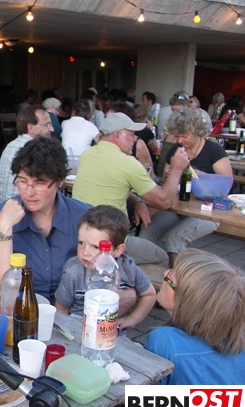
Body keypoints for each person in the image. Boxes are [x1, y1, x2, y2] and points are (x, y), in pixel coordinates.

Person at [72, 112, 191, 266]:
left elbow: (113, 186)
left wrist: (137, 201)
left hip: (81, 236)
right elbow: (164, 201)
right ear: (117, 135)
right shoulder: (128, 163)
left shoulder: (87, 154)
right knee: (162, 257)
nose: (135, 139)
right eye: (131, 134)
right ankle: (128, 278)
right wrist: (177, 169)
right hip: (109, 241)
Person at [0, 137, 91, 301]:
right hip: (21, 307)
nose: (28, 192)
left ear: (60, 181)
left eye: (39, 183)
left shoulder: (84, 216)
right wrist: (4, 227)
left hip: (73, 309)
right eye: (22, 181)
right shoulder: (1, 214)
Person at [139, 108, 232, 267]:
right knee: (148, 229)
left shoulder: (213, 150)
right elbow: (166, 179)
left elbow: (227, 182)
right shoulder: (177, 149)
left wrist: (196, 174)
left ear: (196, 131)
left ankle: (176, 278)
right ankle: (142, 272)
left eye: (184, 136)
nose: (180, 140)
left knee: (174, 237)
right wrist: (170, 173)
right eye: (177, 136)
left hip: (207, 209)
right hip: (180, 205)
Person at [145, 249, 245, 384]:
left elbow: (146, 395)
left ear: (188, 301)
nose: (165, 273)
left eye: (170, 279)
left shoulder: (164, 341)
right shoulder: (237, 339)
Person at [54, 205, 156, 331]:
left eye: (96, 247)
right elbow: (61, 309)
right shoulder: (73, 272)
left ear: (118, 250)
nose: (85, 252)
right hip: (78, 328)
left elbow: (149, 294)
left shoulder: (128, 268)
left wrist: (133, 318)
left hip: (112, 331)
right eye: (81, 243)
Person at [0, 105, 54, 205]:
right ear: (31, 128)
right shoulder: (32, 150)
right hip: (20, 209)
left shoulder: (12, 145)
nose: (52, 129)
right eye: (47, 125)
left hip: (2, 208)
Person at [60, 99, 100, 167]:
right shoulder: (91, 126)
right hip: (84, 162)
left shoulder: (64, 123)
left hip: (66, 161)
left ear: (73, 111)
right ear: (88, 113)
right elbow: (100, 142)